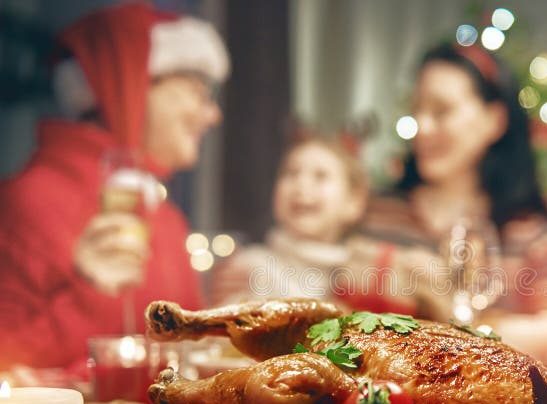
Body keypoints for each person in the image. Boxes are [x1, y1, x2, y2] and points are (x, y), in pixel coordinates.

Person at [0, 3, 229, 373]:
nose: (212, 114)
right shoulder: (29, 200)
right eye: (197, 91)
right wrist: (90, 295)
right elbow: (7, 363)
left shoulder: (164, 216)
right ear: (134, 84)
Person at [355, 42, 547, 319]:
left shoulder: (531, 237)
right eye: (417, 110)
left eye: (442, 111)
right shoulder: (379, 213)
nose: (423, 128)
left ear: (494, 120)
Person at [210, 132, 369, 305]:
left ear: (354, 202)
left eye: (320, 176)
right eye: (291, 173)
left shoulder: (366, 278)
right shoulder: (248, 269)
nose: (301, 185)